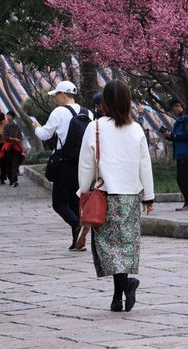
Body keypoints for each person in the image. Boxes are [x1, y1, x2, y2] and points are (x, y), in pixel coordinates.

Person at [78, 80, 155, 313]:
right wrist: (149, 196)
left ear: (105, 103)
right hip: (130, 196)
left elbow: (86, 164)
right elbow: (145, 164)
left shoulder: (96, 127)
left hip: (105, 195)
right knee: (124, 246)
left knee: (107, 247)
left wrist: (83, 191)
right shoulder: (136, 128)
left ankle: (126, 285)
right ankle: (117, 297)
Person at [33, 80, 93, 251]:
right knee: (75, 202)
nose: (55, 99)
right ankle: (77, 242)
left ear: (62, 95)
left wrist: (36, 127)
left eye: (56, 95)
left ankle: (76, 224)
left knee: (59, 202)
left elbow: (45, 135)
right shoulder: (88, 113)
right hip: (83, 164)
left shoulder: (59, 111)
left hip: (64, 162)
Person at [166, 98, 188, 211]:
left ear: (178, 106)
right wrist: (170, 136)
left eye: (172, 109)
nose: (172, 112)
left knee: (184, 178)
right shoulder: (179, 121)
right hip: (181, 154)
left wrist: (173, 135)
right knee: (181, 179)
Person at [0, 110, 24, 186]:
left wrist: (20, 142)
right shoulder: (5, 126)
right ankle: (10, 178)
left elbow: (20, 136)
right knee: (8, 163)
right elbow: (4, 137)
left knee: (15, 163)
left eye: (9, 116)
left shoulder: (17, 127)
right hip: (8, 147)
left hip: (16, 147)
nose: (7, 117)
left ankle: (14, 180)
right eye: (7, 116)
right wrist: (13, 139)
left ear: (13, 117)